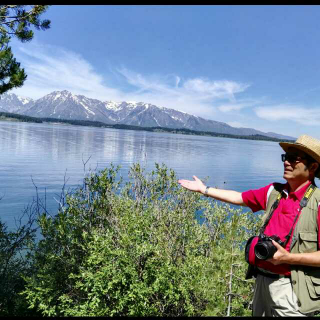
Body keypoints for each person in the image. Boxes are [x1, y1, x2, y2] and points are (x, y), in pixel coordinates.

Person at [178, 134, 320, 317]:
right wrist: (204, 190)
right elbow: (239, 197)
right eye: (286, 158)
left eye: (294, 159)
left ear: (313, 167)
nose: (286, 162)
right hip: (262, 281)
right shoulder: (274, 192)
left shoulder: (317, 204)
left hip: (293, 289)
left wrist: (288, 257)